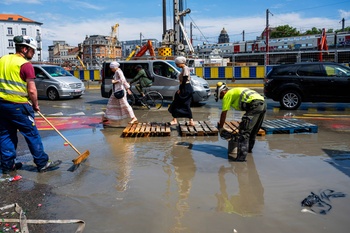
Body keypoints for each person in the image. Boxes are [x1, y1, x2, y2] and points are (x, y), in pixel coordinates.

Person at [0, 35, 62, 174]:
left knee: (5, 135)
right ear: (24, 48)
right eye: (32, 50)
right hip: (19, 106)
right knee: (31, 134)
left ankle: (7, 165)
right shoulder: (25, 65)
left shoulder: (2, 60)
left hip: (2, 105)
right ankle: (42, 163)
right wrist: (35, 105)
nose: (33, 53)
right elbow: (32, 90)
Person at [215, 82, 266, 162]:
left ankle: (240, 159)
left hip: (255, 105)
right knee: (253, 131)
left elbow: (224, 113)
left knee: (244, 132)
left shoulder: (227, 95)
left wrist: (221, 128)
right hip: (262, 104)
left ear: (222, 92)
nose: (222, 98)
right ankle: (249, 151)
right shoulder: (234, 91)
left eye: (221, 96)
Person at [168, 56, 194, 126]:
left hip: (185, 88)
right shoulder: (184, 68)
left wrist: (181, 90)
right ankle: (191, 121)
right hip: (186, 88)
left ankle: (175, 120)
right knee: (185, 104)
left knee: (177, 103)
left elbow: (185, 80)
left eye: (177, 64)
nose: (176, 65)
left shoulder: (185, 69)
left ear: (181, 63)